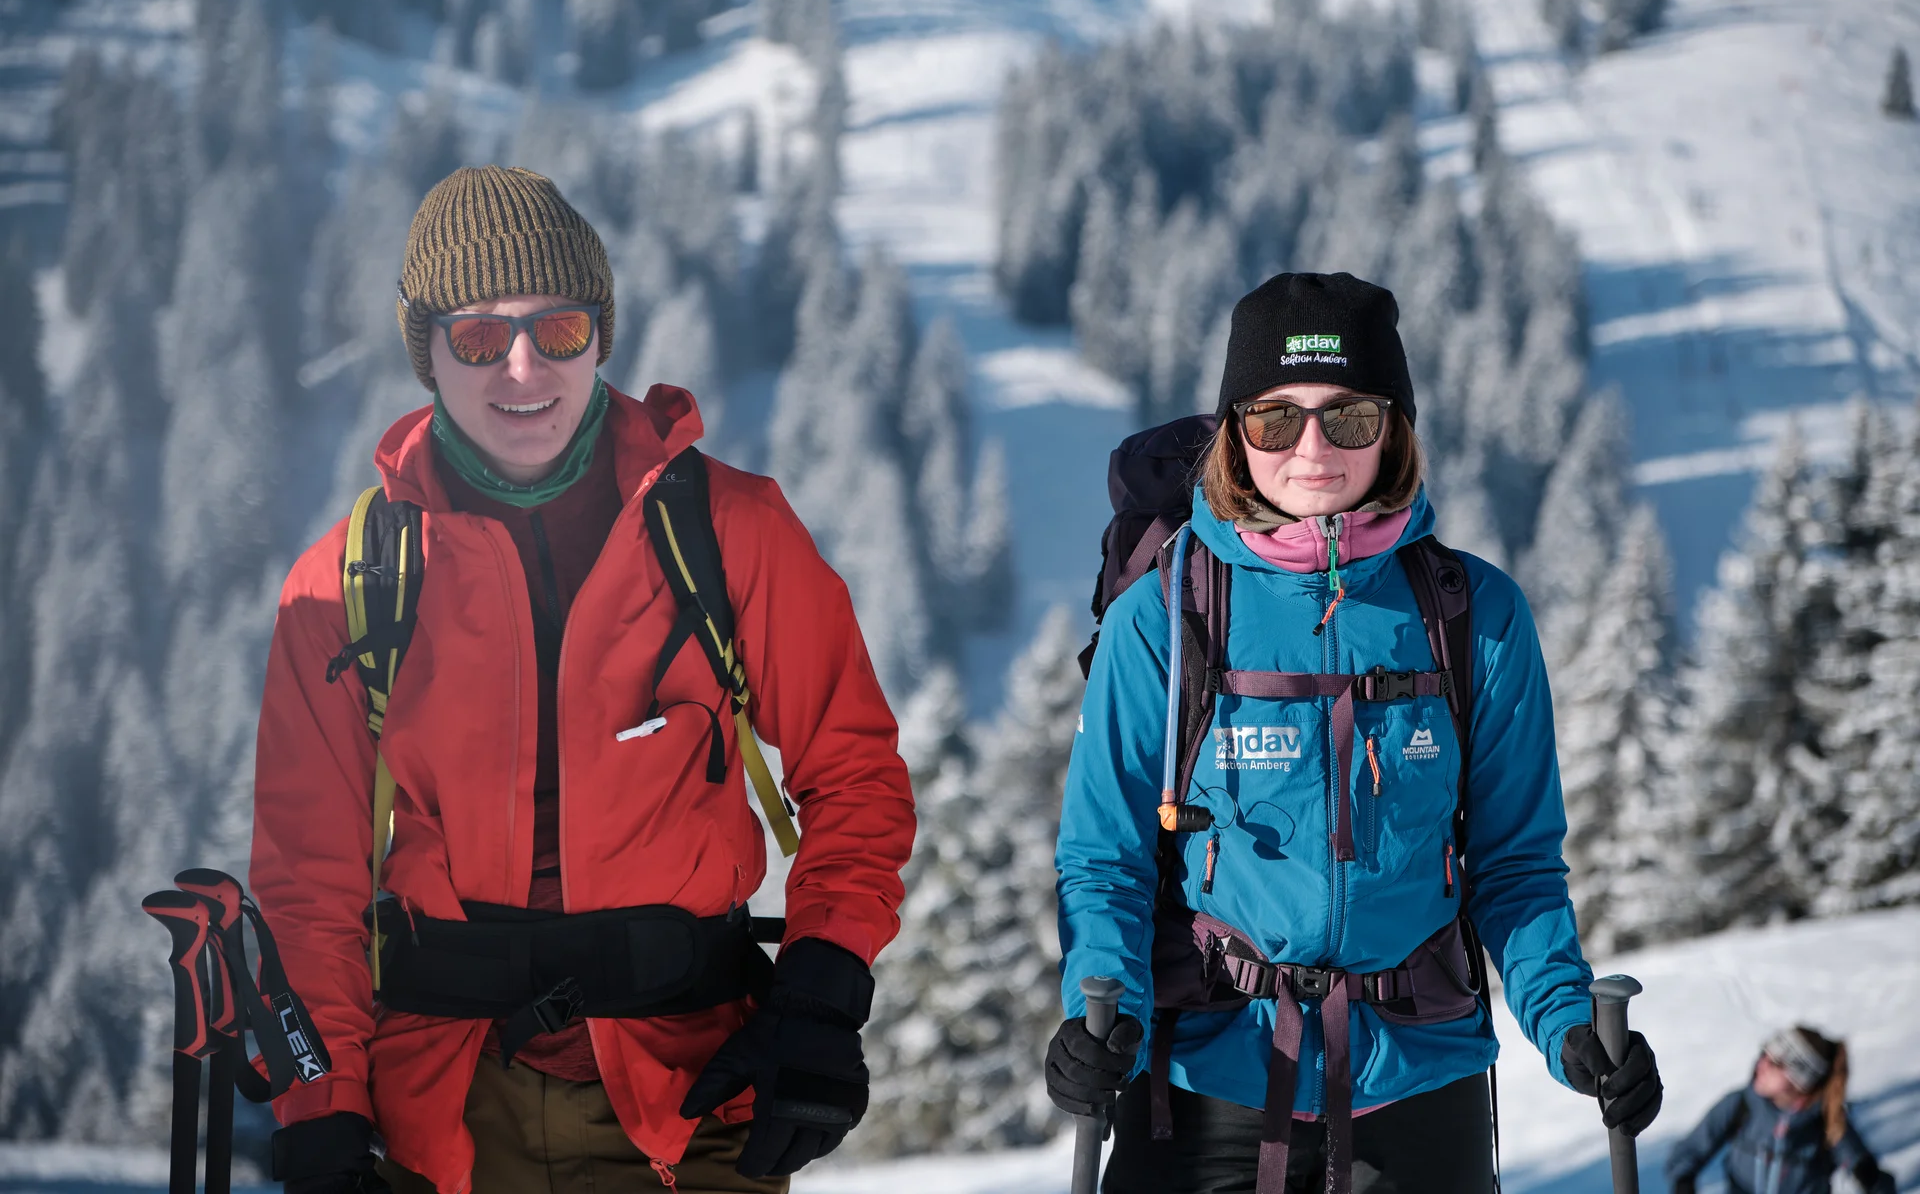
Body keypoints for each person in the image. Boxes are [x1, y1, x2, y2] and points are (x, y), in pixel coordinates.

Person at [250, 166, 915, 1194]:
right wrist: (325, 1102)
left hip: (692, 1101)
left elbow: (854, 770)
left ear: (600, 334)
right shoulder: (348, 583)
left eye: (555, 328)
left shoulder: (729, 531)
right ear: (426, 351)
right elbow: (310, 883)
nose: (521, 365)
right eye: (477, 336)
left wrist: (821, 991)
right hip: (443, 1112)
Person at [1046, 272, 1663, 1194]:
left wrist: (1568, 1019)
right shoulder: (1163, 619)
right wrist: (1105, 1014)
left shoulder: (1473, 616)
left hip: (1421, 1078)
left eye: (1348, 419)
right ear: (1233, 433)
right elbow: (1107, 862)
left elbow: (1516, 865)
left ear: (1395, 429)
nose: (1311, 450)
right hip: (1208, 1073)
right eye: (1274, 419)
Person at [1668, 1027, 1897, 1194]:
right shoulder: (1740, 1105)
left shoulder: (1826, 1120)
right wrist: (1684, 1182)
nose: (1762, 1064)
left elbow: (1867, 1172)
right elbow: (1688, 1153)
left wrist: (1870, 1178)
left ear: (1801, 1080)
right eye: (1764, 1054)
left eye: (1776, 1063)